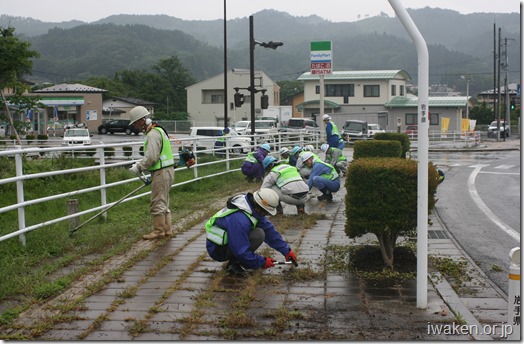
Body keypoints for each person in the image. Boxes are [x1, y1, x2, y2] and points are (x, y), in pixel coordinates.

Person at [205, 188, 298, 276]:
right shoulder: (239, 220)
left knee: (260, 232)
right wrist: (262, 262)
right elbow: (240, 250)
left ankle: (238, 261)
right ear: (259, 208)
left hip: (229, 242)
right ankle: (234, 266)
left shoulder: (250, 206)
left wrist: (286, 251)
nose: (266, 215)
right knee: (258, 234)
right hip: (218, 250)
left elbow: (269, 231)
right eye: (266, 212)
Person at [128, 106, 175, 240]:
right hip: (167, 169)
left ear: (141, 121)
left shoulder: (153, 134)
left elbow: (152, 156)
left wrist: (139, 166)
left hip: (161, 171)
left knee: (157, 202)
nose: (135, 126)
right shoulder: (159, 130)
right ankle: (167, 230)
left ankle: (158, 231)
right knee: (164, 202)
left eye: (135, 123)